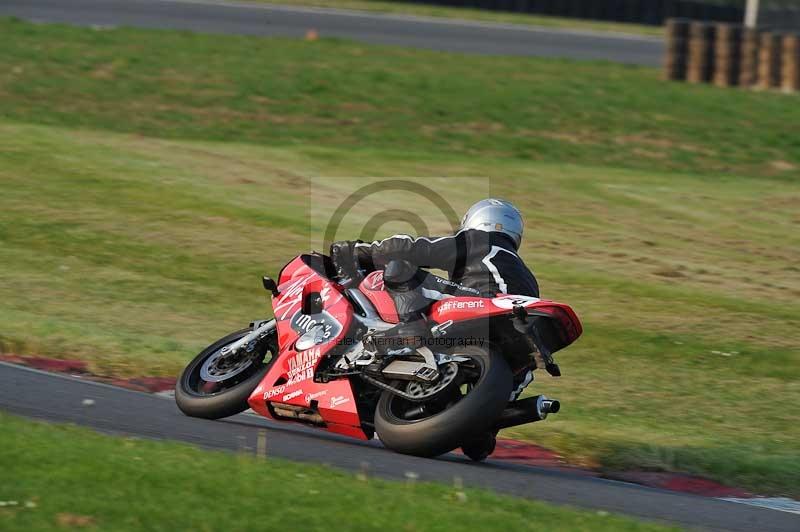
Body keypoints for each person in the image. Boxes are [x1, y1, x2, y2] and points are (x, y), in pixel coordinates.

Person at [330, 198, 539, 354]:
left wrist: (358, 250)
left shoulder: (479, 240)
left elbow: (409, 248)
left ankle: (410, 330)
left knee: (400, 268)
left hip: (483, 302)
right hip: (516, 333)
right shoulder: (526, 274)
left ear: (476, 219)